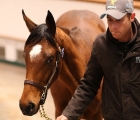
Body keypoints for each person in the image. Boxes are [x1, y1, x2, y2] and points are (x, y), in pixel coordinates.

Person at [56, 0, 140, 119]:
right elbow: (89, 85)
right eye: (110, 20)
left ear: (131, 17)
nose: (113, 26)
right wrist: (67, 115)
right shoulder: (101, 45)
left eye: (119, 20)